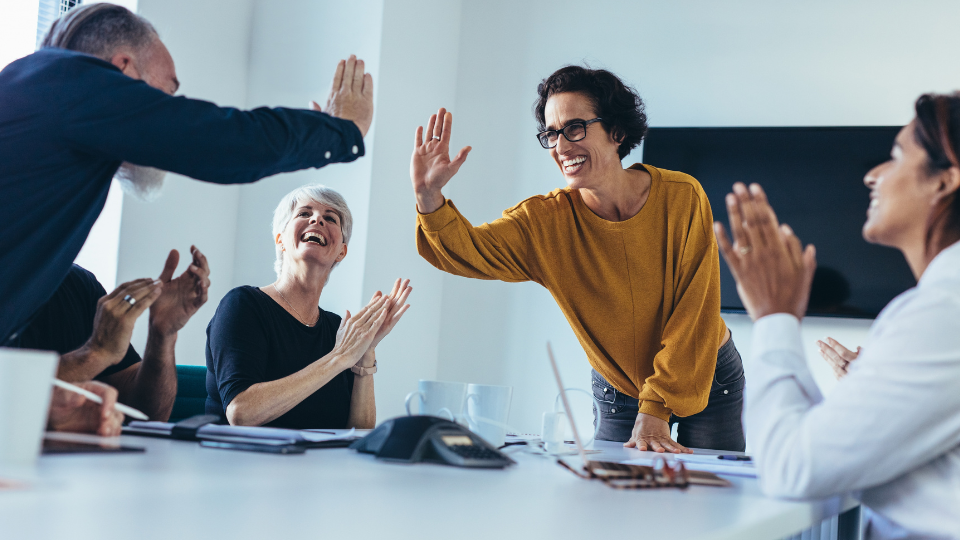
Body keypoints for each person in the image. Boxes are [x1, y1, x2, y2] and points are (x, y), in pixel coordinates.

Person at [411, 66, 745, 453]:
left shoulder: (683, 197)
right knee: (614, 500)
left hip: (707, 372)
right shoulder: (544, 222)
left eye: (574, 127)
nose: (561, 146)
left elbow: (695, 311)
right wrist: (427, 195)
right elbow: (465, 250)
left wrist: (656, 407)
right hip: (618, 390)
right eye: (551, 133)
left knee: (709, 501)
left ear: (617, 132)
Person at [0, 3, 374, 345]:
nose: (166, 111)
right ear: (122, 69)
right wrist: (340, 129)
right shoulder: (74, 84)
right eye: (165, 94)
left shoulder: (32, 89)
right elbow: (225, 140)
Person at [715, 93, 960, 538]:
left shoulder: (944, 311)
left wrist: (774, 317)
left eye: (896, 155)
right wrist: (875, 386)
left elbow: (791, 468)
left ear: (944, 181)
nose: (872, 175)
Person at [206, 185, 411, 429]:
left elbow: (359, 432)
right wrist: (339, 357)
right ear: (280, 239)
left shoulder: (340, 330)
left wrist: (365, 352)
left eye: (330, 218)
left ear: (341, 252)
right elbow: (242, 413)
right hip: (241, 463)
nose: (317, 219)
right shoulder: (243, 305)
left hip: (317, 466)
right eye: (304, 213)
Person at [12, 246, 211, 422]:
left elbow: (147, 415)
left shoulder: (75, 283)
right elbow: (10, 400)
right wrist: (96, 353)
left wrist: (162, 335)